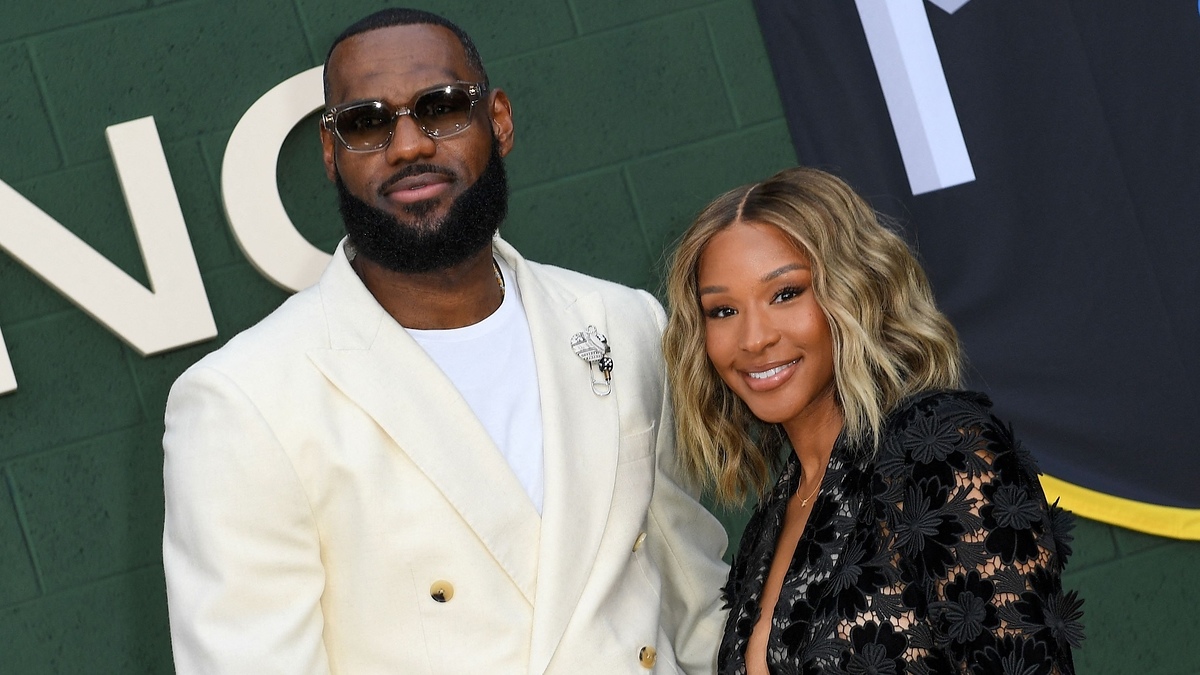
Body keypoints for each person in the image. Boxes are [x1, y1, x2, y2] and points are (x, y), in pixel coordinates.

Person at [162, 8, 729, 674]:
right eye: (367, 123)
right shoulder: (245, 399)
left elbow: (697, 603)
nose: (407, 146)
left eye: (440, 108)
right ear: (330, 153)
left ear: (500, 120)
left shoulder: (621, 322)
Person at [662, 167, 1084, 674]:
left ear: (854, 291)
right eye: (723, 311)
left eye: (786, 293)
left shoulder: (941, 450)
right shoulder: (775, 515)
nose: (753, 339)